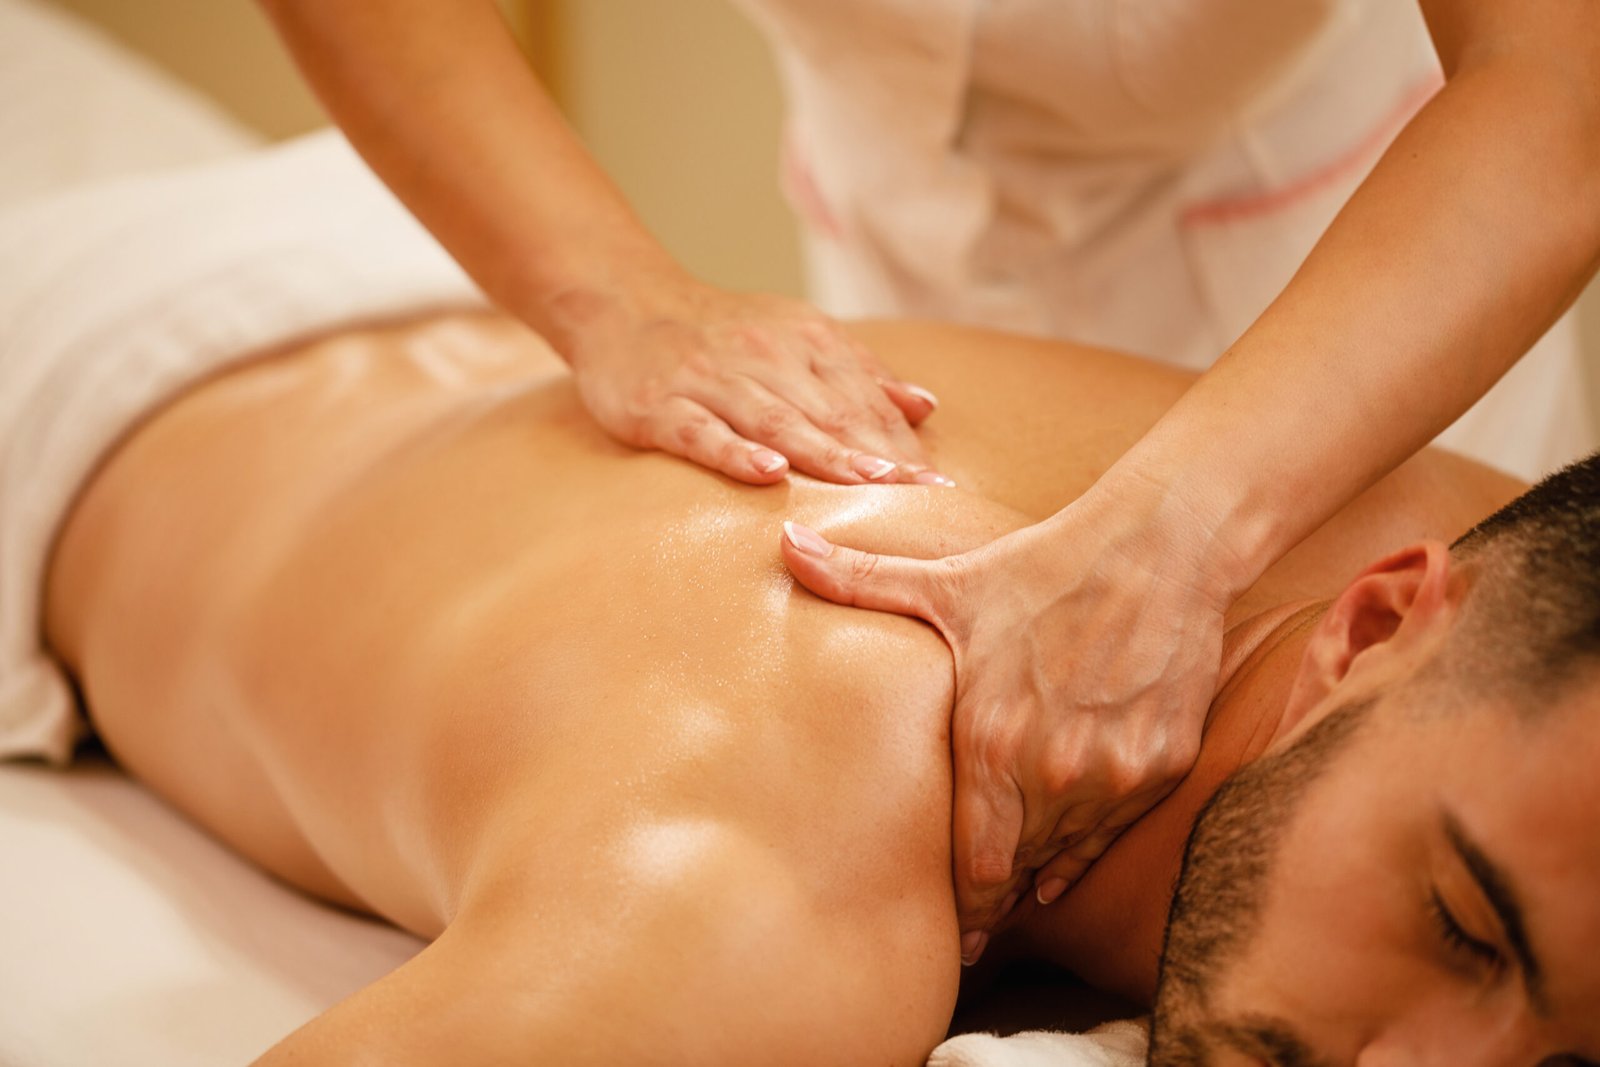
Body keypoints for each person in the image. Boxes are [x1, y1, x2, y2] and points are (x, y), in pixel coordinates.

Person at [255, 0, 1600, 956]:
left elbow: (1561, 82)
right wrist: (609, 294)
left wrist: (1175, 530)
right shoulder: (809, 810)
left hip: (1359, 299)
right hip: (895, 257)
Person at [42, 293, 1598, 1063]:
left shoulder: (1511, 574)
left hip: (441, 349)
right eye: (1456, 923)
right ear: (1378, 627)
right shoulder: (796, 857)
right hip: (70, 377)